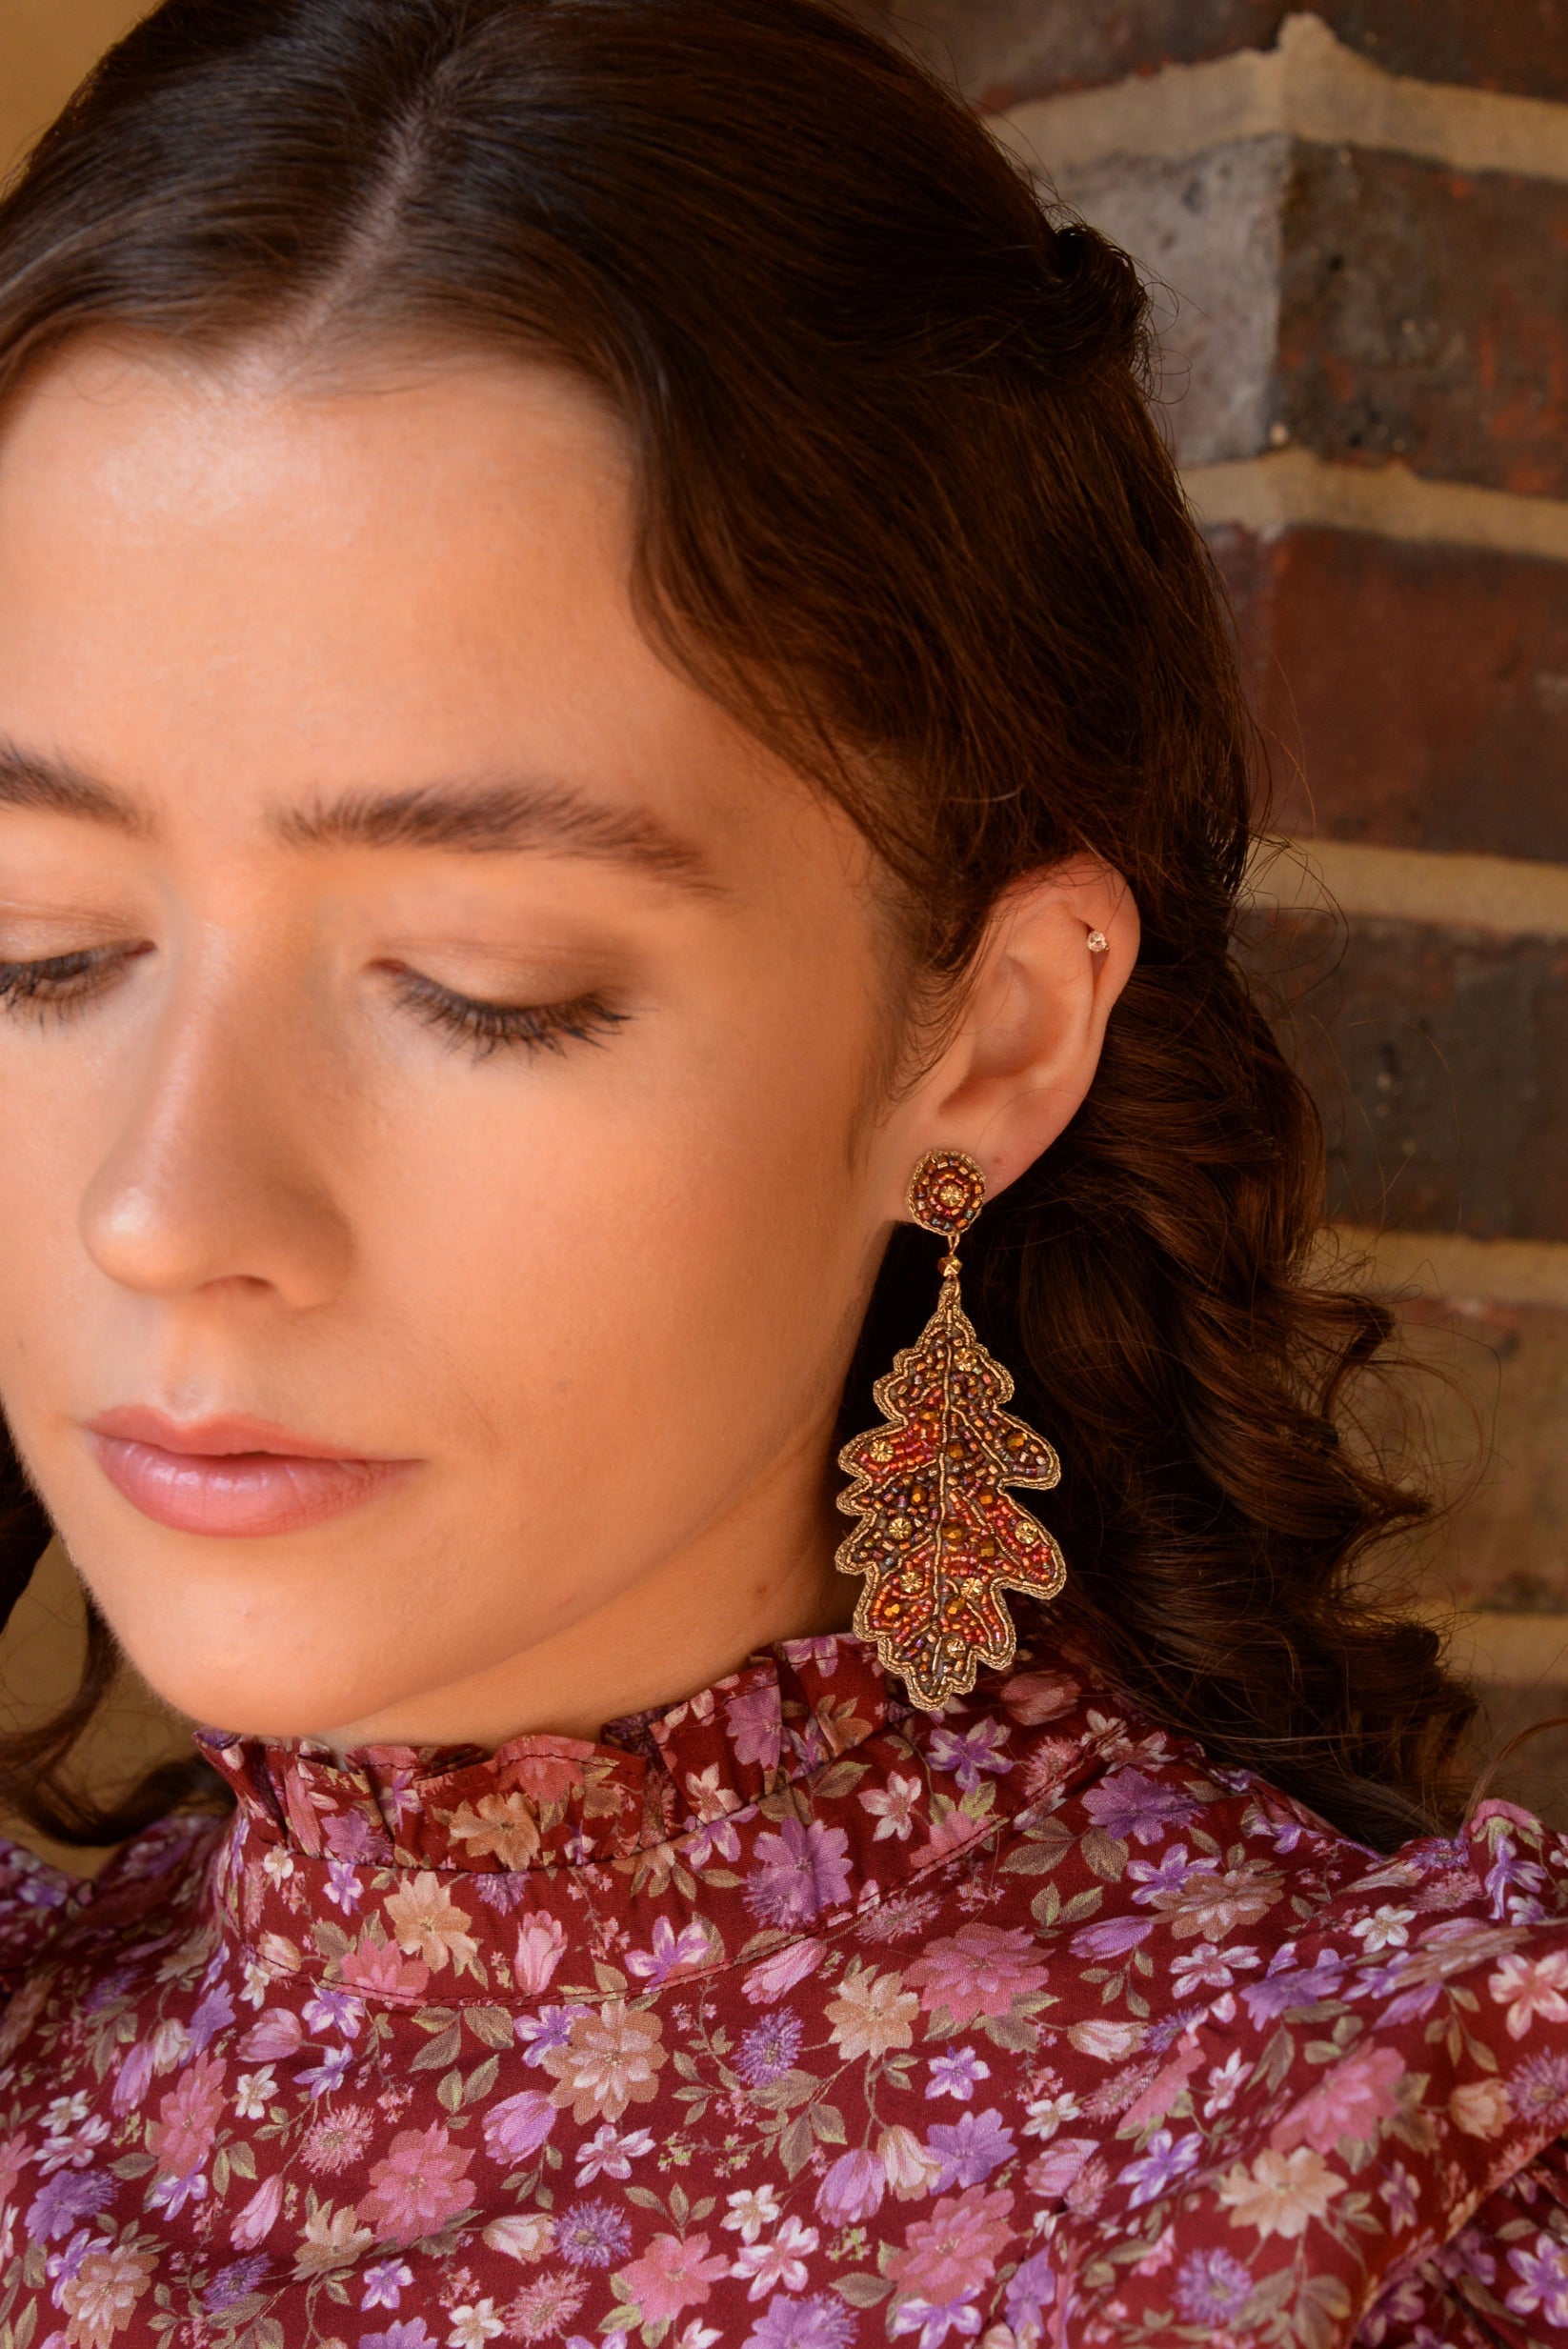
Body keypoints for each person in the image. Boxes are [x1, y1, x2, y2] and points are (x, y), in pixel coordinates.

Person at [0, 1, 1561, 2340]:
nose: (164, 1205)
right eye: (39, 949)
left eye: (486, 985)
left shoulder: (1364, 2182)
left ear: (989, 1037)